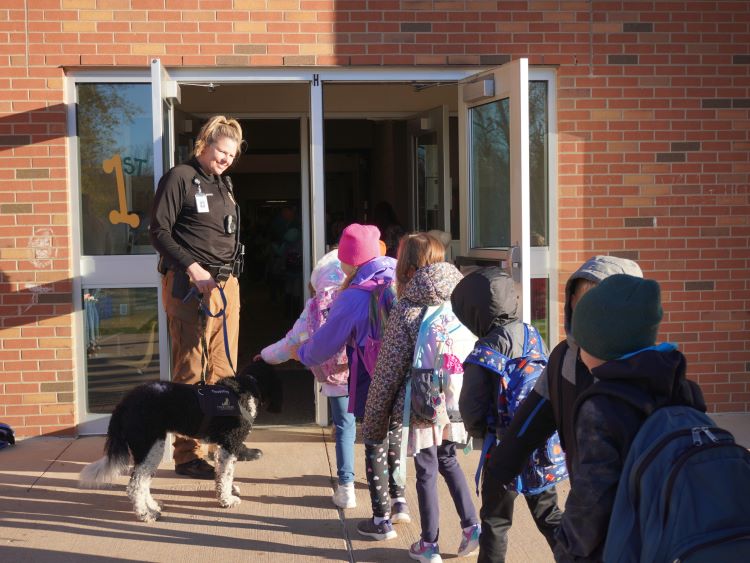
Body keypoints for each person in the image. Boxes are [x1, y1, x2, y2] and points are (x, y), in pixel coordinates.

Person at [554, 274, 705, 561]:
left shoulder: (600, 407)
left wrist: (568, 547)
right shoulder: (682, 388)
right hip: (674, 538)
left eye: (583, 341)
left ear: (601, 346)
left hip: (620, 546)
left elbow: (592, 496)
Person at [363, 232, 480, 559]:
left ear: (409, 268)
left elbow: (389, 370)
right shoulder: (461, 298)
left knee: (426, 468)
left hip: (423, 404)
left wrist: (375, 419)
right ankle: (472, 526)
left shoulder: (408, 308)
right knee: (449, 460)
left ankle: (429, 544)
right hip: (457, 396)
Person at [483, 256, 644, 493]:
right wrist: (502, 466)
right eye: (584, 305)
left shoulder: (644, 369)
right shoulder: (565, 358)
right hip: (584, 480)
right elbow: (532, 419)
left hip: (636, 491)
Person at [149, 115, 249, 479]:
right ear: (205, 144)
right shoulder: (180, 178)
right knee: (191, 369)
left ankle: (218, 444)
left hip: (226, 286)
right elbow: (159, 231)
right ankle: (187, 454)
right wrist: (193, 268)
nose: (226, 160)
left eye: (232, 155)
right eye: (221, 152)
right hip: (190, 286)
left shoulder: (224, 183)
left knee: (223, 370)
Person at [451, 266, 562, 563]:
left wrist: (479, 433)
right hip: (539, 444)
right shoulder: (532, 334)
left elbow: (471, 408)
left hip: (501, 449)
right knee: (549, 513)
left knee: (496, 521)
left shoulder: (486, 350)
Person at [292, 223, 401, 521]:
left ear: (351, 260)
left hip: (371, 375)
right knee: (396, 438)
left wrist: (301, 354)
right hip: (405, 374)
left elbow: (325, 344)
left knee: (372, 441)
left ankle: (378, 516)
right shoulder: (399, 275)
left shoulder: (353, 295)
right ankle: (399, 500)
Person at [258, 249, 356, 508]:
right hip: (367, 373)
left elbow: (290, 342)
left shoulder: (314, 306)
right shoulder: (360, 297)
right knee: (380, 433)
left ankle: (347, 488)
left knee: (344, 429)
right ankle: (395, 493)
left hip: (335, 378)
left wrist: (264, 356)